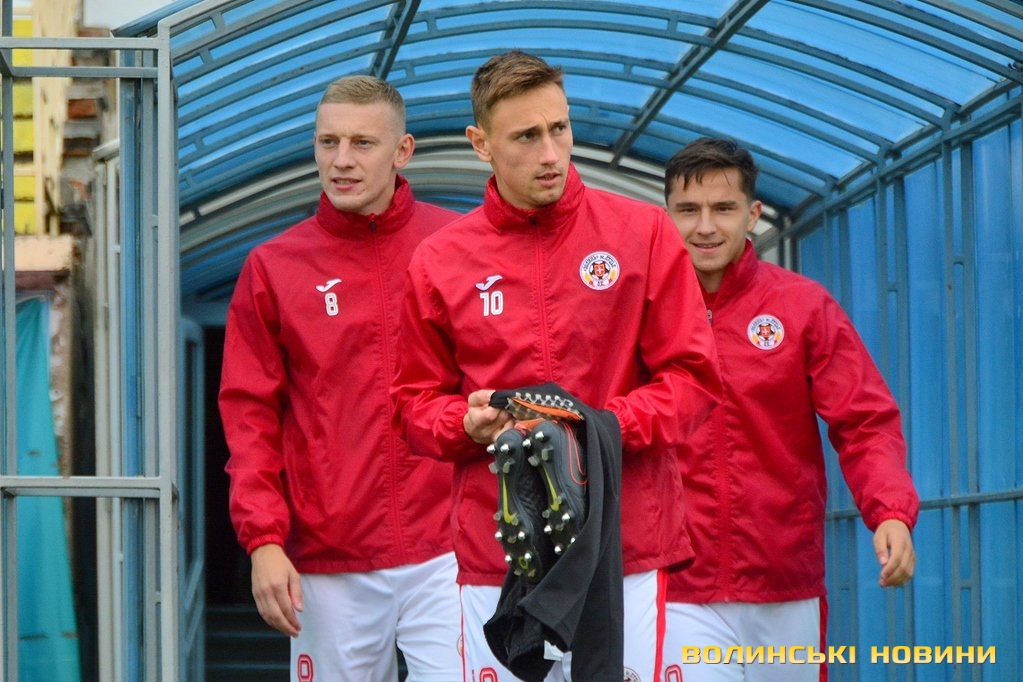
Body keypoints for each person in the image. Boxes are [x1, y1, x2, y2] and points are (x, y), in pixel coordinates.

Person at [391, 51, 722, 681]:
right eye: (526, 136)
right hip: (499, 553)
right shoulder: (439, 260)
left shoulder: (644, 233)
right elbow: (412, 404)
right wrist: (465, 423)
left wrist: (593, 430)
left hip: (623, 548)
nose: (550, 153)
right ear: (480, 144)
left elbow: (694, 379)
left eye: (559, 128)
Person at [219, 75, 462, 681]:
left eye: (362, 143)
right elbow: (249, 418)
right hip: (328, 557)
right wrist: (263, 540)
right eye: (328, 142)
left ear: (402, 151)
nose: (342, 160)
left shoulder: (458, 246)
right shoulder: (273, 267)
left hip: (450, 546)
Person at [661, 137, 920, 682]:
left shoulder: (803, 307)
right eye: (688, 210)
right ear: (667, 214)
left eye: (723, 208)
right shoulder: (644, 311)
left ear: (752, 214)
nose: (705, 227)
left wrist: (891, 511)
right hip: (678, 584)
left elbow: (864, 420)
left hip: (784, 580)